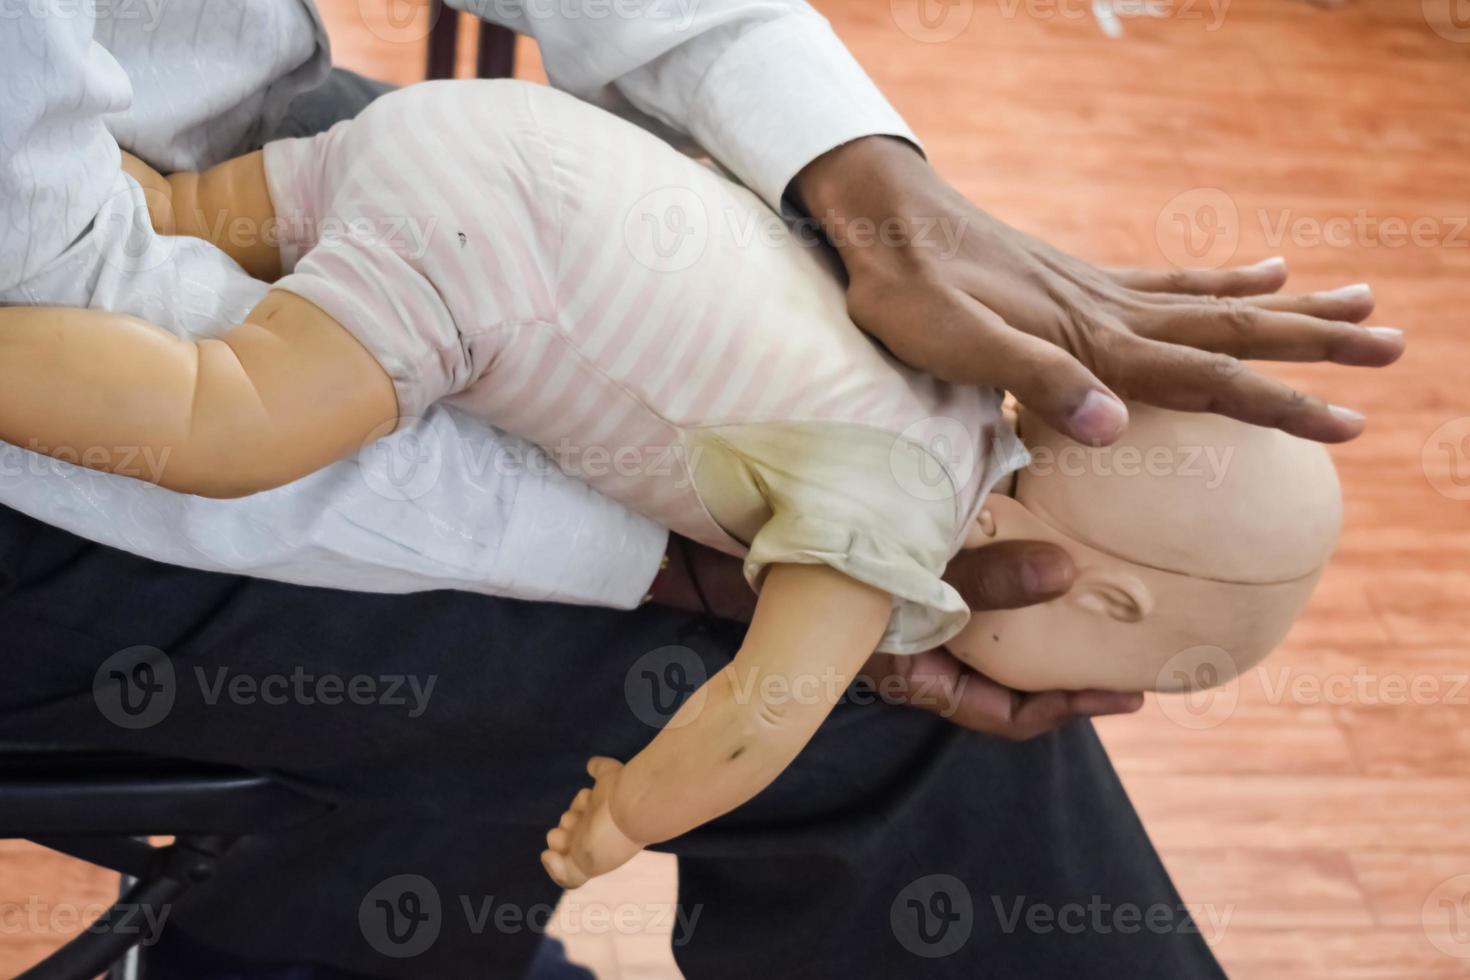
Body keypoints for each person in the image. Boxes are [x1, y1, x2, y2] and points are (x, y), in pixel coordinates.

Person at [0, 2, 1392, 976]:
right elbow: (745, 728)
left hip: (420, 147)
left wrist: (840, 162)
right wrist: (624, 813)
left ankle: (330, 950)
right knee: (221, 415)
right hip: (306, 286)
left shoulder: (953, 373)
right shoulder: (885, 543)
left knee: (196, 219)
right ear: (1109, 588)